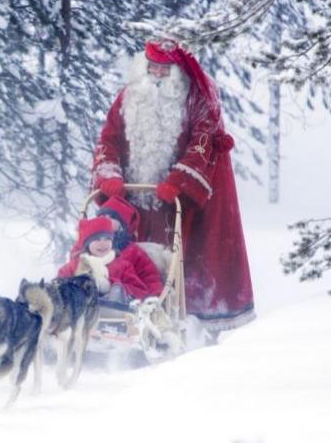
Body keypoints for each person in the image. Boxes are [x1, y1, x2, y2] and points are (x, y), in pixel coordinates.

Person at [90, 39, 254, 333]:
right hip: (135, 200)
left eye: (163, 69)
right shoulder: (129, 96)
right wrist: (109, 174)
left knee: (183, 260)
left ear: (177, 72)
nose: (156, 74)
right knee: (121, 251)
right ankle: (119, 311)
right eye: (151, 66)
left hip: (184, 204)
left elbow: (203, 145)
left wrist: (178, 181)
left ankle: (192, 323)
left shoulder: (198, 99)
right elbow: (108, 140)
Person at [57, 216, 163, 302]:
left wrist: (112, 285)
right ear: (87, 243)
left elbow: (140, 292)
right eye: (97, 239)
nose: (103, 244)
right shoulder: (74, 266)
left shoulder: (123, 266)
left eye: (107, 239)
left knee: (117, 295)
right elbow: (59, 285)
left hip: (116, 316)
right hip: (82, 317)